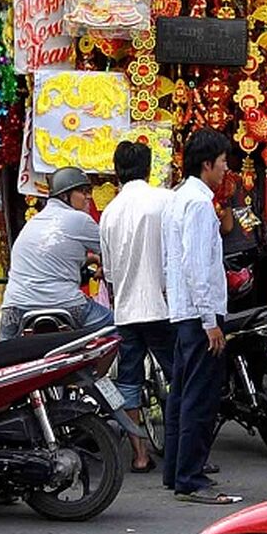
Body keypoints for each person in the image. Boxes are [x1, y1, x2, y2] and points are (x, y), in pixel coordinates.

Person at [160, 129, 240, 506]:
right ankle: (190, 477)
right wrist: (210, 320)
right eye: (223, 161)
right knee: (198, 396)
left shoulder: (179, 198)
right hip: (197, 312)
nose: (226, 168)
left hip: (183, 309)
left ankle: (177, 470)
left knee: (181, 393)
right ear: (207, 164)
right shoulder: (196, 203)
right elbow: (196, 264)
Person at [99, 139, 170, 473]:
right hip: (162, 307)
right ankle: (182, 449)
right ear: (149, 167)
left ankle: (140, 455)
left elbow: (109, 273)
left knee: (129, 382)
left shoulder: (109, 213)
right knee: (178, 377)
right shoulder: (164, 201)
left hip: (127, 311)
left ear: (116, 172)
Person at [0, 167, 109, 339]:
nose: (89, 197)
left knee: (1, 356)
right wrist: (105, 267)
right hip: (65, 305)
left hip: (14, 308)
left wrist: (92, 259)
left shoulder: (35, 222)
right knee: (115, 329)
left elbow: (52, 256)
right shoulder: (80, 220)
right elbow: (113, 253)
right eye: (83, 191)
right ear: (65, 196)